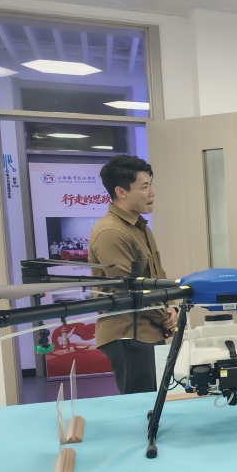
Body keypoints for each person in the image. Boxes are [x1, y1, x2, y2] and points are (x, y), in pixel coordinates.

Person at [88, 155, 173, 394]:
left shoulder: (138, 226)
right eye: (144, 187)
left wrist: (170, 308)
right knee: (141, 405)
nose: (152, 193)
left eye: (150, 185)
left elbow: (157, 276)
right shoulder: (110, 232)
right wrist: (165, 316)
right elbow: (128, 289)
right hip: (129, 333)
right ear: (121, 192)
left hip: (149, 329)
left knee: (156, 402)